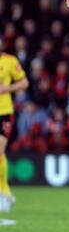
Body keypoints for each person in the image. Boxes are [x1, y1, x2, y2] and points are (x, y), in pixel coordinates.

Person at [0, 35, 29, 211]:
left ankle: (4, 193)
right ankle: (6, 193)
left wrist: (6, 89)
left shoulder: (10, 61)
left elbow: (24, 83)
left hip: (3, 113)